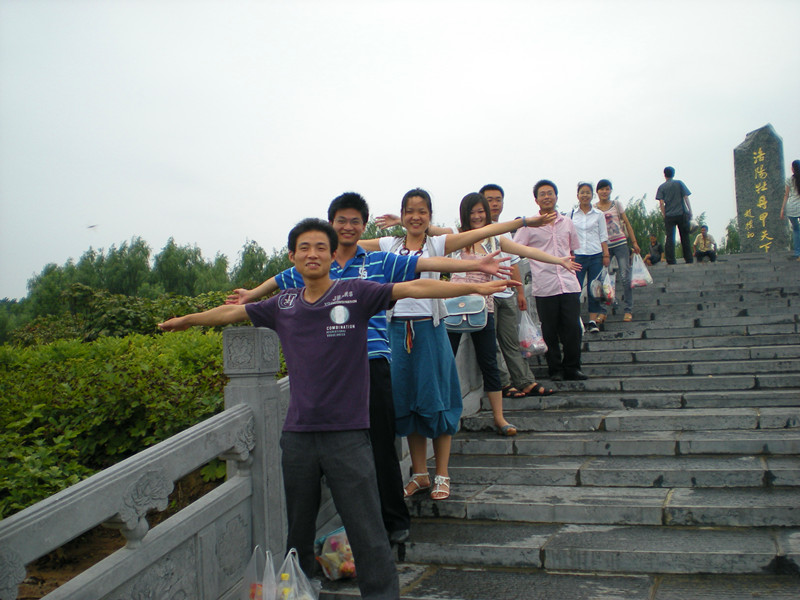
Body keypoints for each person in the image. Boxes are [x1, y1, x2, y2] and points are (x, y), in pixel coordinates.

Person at [158, 218, 519, 600]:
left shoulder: (355, 293)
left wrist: (473, 285)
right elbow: (232, 314)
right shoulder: (284, 304)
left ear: (334, 255)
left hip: (348, 435)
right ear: (292, 256)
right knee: (298, 530)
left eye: (320, 247)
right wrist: (186, 321)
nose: (312, 254)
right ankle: (299, 591)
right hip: (298, 437)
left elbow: (414, 286)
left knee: (367, 531)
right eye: (304, 248)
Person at [227, 192, 512, 540]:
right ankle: (347, 526)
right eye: (341, 221)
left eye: (355, 221)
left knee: (381, 444)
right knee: (334, 450)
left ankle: (395, 521)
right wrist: (251, 295)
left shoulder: (378, 261)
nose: (348, 227)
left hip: (373, 363)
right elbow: (280, 279)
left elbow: (423, 273)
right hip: (331, 372)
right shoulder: (317, 262)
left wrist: (474, 268)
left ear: (364, 226)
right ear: (331, 224)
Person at [370, 189, 574, 497]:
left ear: (430, 216)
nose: (415, 216)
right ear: (402, 215)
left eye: (422, 211)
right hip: (398, 331)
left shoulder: (438, 243)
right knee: (408, 403)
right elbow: (349, 245)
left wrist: (524, 221)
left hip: (430, 328)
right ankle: (420, 474)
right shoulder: (390, 245)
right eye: (409, 211)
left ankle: (442, 474)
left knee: (438, 400)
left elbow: (487, 231)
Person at [480, 183, 554, 398]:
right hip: (486, 296)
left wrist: (520, 293)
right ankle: (503, 383)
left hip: (506, 294)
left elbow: (514, 263)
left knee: (511, 342)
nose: (495, 204)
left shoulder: (504, 230)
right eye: (489, 200)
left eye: (498, 199)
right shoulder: (475, 231)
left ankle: (525, 381)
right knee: (491, 345)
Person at [514, 180, 587, 381]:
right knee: (549, 329)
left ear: (556, 196)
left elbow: (572, 249)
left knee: (572, 327)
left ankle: (573, 367)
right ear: (536, 200)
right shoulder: (529, 226)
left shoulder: (567, 222)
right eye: (542, 194)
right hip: (545, 284)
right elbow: (515, 250)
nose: (547, 197)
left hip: (569, 283)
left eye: (550, 193)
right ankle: (555, 369)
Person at [595, 179, 640, 323]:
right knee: (602, 278)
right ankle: (602, 311)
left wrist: (634, 242)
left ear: (610, 190)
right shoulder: (594, 208)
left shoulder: (616, 204)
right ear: (597, 191)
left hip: (620, 243)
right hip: (604, 246)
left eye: (607, 189)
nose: (604, 192)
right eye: (602, 189)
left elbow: (627, 223)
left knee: (625, 276)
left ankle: (628, 309)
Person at [570, 182, 609, 333]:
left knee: (594, 288)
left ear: (592, 195)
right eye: (582, 192)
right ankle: (576, 319)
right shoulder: (571, 215)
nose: (585, 195)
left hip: (595, 255)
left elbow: (603, 235)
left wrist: (606, 254)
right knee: (576, 288)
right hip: (578, 256)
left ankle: (593, 321)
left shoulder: (599, 215)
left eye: (588, 192)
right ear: (577, 195)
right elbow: (567, 235)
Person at [656, 166, 693, 264]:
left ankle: (671, 260)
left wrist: (664, 215)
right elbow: (686, 197)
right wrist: (690, 211)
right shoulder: (679, 183)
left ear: (664, 175)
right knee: (684, 237)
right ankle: (688, 258)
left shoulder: (662, 187)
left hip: (669, 215)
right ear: (673, 174)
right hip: (681, 213)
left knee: (670, 238)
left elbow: (661, 203)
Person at [780, 159, 800, 261]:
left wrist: (782, 209)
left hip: (791, 207)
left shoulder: (789, 179)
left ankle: (797, 253)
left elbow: (786, 195)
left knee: (796, 230)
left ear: (793, 169)